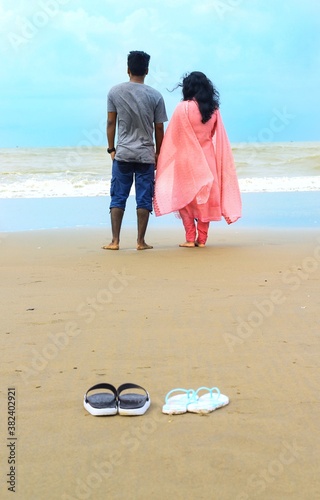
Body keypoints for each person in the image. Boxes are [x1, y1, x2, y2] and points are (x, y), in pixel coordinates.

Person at [154, 71, 242, 247]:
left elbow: (173, 137)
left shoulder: (182, 107)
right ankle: (202, 240)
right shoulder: (213, 109)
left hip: (186, 160)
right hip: (207, 158)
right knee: (205, 199)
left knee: (184, 197)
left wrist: (162, 158)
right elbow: (219, 135)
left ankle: (189, 237)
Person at [103, 50, 168, 250]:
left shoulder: (115, 92)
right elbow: (159, 127)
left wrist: (111, 148)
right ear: (147, 71)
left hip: (123, 152)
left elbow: (111, 122)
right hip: (145, 154)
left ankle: (115, 241)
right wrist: (159, 153)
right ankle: (140, 241)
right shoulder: (155, 96)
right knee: (143, 196)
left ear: (128, 69)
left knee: (118, 195)